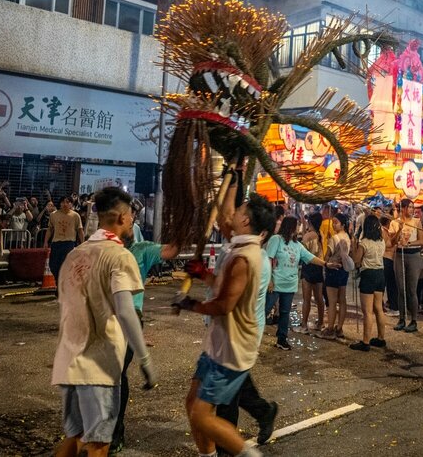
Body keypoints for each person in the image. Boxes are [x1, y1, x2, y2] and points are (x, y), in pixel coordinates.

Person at [52, 187, 156, 457]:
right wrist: (144, 359)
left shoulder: (76, 255)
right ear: (121, 218)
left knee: (74, 438)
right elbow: (125, 310)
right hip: (99, 364)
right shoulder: (120, 256)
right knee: (98, 444)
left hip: (70, 359)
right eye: (131, 216)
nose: (132, 220)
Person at [176, 178, 274, 457]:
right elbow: (222, 284)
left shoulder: (246, 257)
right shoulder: (237, 248)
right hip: (217, 344)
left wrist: (190, 304)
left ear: (246, 222)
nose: (232, 214)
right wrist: (203, 274)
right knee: (193, 405)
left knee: (203, 416)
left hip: (232, 349)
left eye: (240, 211)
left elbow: (224, 305)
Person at [109, 201, 180, 453]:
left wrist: (183, 222)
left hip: (129, 319)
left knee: (117, 375)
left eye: (134, 216)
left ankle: (115, 433)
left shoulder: (141, 250)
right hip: (103, 320)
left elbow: (171, 251)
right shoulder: (101, 249)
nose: (133, 221)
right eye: (129, 216)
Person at [265, 216, 326, 350]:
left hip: (290, 284)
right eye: (297, 225)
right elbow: (268, 258)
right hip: (276, 283)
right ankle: (251, 337)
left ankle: (282, 339)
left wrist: (325, 264)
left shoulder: (297, 245)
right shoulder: (276, 239)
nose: (299, 228)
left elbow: (310, 257)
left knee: (285, 312)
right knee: (264, 310)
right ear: (290, 227)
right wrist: (269, 279)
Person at [350, 214, 387, 352]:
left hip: (368, 275)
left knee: (367, 312)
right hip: (380, 274)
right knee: (378, 308)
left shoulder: (364, 243)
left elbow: (356, 261)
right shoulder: (381, 241)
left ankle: (365, 342)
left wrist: (354, 247)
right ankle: (381, 338)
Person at [318, 212, 352, 340]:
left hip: (333, 270)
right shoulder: (348, 238)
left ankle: (330, 328)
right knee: (342, 300)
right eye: (333, 222)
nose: (333, 224)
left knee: (332, 302)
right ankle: (339, 328)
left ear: (342, 224)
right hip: (344, 270)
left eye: (336, 222)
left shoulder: (334, 238)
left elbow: (327, 256)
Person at [393, 199, 423, 333]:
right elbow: (392, 241)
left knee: (412, 289)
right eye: (409, 207)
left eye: (412, 207)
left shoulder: (417, 222)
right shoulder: (395, 222)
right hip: (399, 255)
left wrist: (409, 244)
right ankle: (401, 318)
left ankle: (414, 320)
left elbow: (422, 241)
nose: (411, 209)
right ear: (403, 208)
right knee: (401, 288)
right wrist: (399, 229)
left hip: (413, 255)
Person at [44, 196, 84, 293]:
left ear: (71, 204)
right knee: (53, 266)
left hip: (68, 243)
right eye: (63, 202)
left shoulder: (75, 216)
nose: (65, 204)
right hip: (56, 243)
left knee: (65, 266)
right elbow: (50, 229)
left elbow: (80, 230)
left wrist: (83, 243)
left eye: (67, 202)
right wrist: (46, 241)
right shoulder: (54, 215)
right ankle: (59, 283)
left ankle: (63, 288)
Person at [296, 212, 325, 334]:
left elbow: (302, 251)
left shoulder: (308, 236)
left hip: (308, 267)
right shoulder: (320, 234)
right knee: (319, 298)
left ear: (310, 222)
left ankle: (304, 325)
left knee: (306, 298)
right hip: (318, 266)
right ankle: (320, 323)